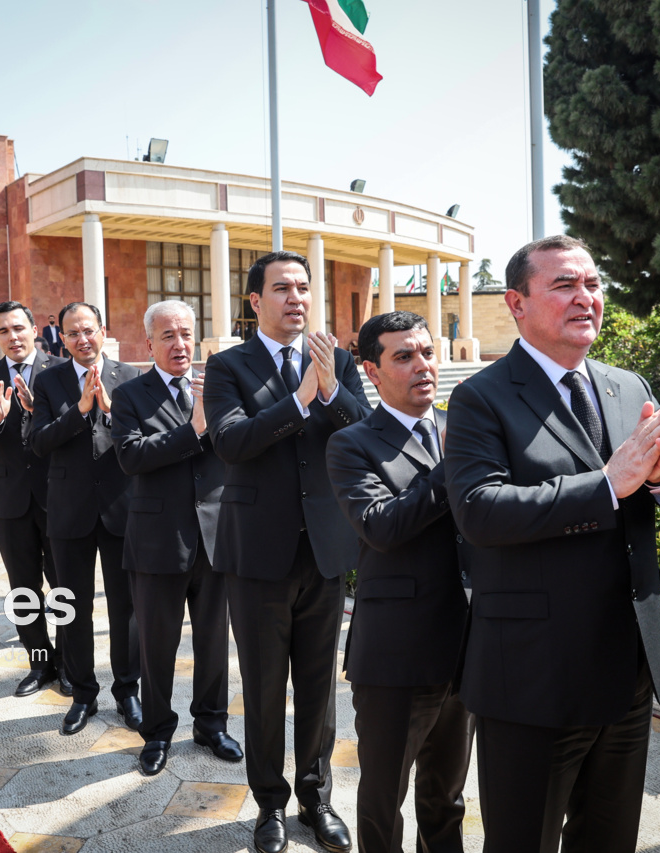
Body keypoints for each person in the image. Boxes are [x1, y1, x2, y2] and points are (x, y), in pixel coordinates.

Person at [444, 235, 660, 853]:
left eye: (593, 285)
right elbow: (480, 510)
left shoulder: (625, 384)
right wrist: (606, 484)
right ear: (517, 303)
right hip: (532, 677)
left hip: (627, 670)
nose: (586, 298)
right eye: (564, 286)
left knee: (609, 841)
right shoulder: (481, 397)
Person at [203, 250, 371, 853]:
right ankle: (270, 804)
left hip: (324, 554)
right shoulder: (228, 367)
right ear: (255, 303)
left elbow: (365, 433)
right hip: (256, 557)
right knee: (266, 686)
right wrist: (299, 400)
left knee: (321, 687)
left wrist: (329, 392)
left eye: (303, 287)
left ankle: (316, 797)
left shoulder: (339, 360)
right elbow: (230, 443)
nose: (296, 298)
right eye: (282, 289)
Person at [326, 311, 473, 853]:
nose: (423, 366)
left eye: (428, 353)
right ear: (372, 370)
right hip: (396, 655)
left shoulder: (463, 429)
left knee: (447, 796)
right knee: (385, 797)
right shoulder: (353, 444)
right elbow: (382, 527)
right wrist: (453, 465)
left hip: (468, 647)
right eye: (404, 356)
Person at [110, 299, 241, 777]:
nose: (179, 344)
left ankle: (211, 725)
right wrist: (194, 429)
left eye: (186, 334)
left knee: (213, 643)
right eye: (168, 335)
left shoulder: (219, 387)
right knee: (157, 647)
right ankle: (158, 733)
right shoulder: (129, 394)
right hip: (157, 541)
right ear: (149, 343)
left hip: (215, 537)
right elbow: (131, 457)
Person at [28, 302, 142, 737]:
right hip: (69, 509)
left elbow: (143, 438)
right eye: (73, 333)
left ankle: (128, 691)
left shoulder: (131, 378)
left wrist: (110, 410)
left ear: (103, 330)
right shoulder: (49, 379)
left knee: (125, 609)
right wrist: (78, 410)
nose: (82, 339)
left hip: (121, 509)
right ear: (62, 337)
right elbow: (37, 442)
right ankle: (83, 694)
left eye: (89, 330)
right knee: (72, 608)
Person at [0, 301, 68, 698]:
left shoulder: (59, 370)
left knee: (64, 587)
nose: (13, 336)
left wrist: (41, 413)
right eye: (3, 331)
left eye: (18, 328)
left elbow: (78, 423)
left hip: (57, 496)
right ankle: (40, 664)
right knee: (24, 589)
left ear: (34, 328)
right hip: (8, 499)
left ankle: (71, 664)